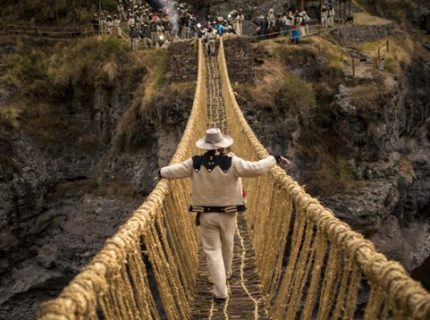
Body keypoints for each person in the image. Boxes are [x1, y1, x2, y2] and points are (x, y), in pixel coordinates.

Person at [159, 128, 291, 301]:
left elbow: (174, 171)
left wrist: (161, 173)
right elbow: (256, 168)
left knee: (212, 251)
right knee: (228, 245)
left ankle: (220, 291)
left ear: (205, 146)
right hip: (228, 214)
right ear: (223, 145)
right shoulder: (233, 162)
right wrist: (274, 158)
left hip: (206, 215)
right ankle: (226, 273)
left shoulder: (195, 163)